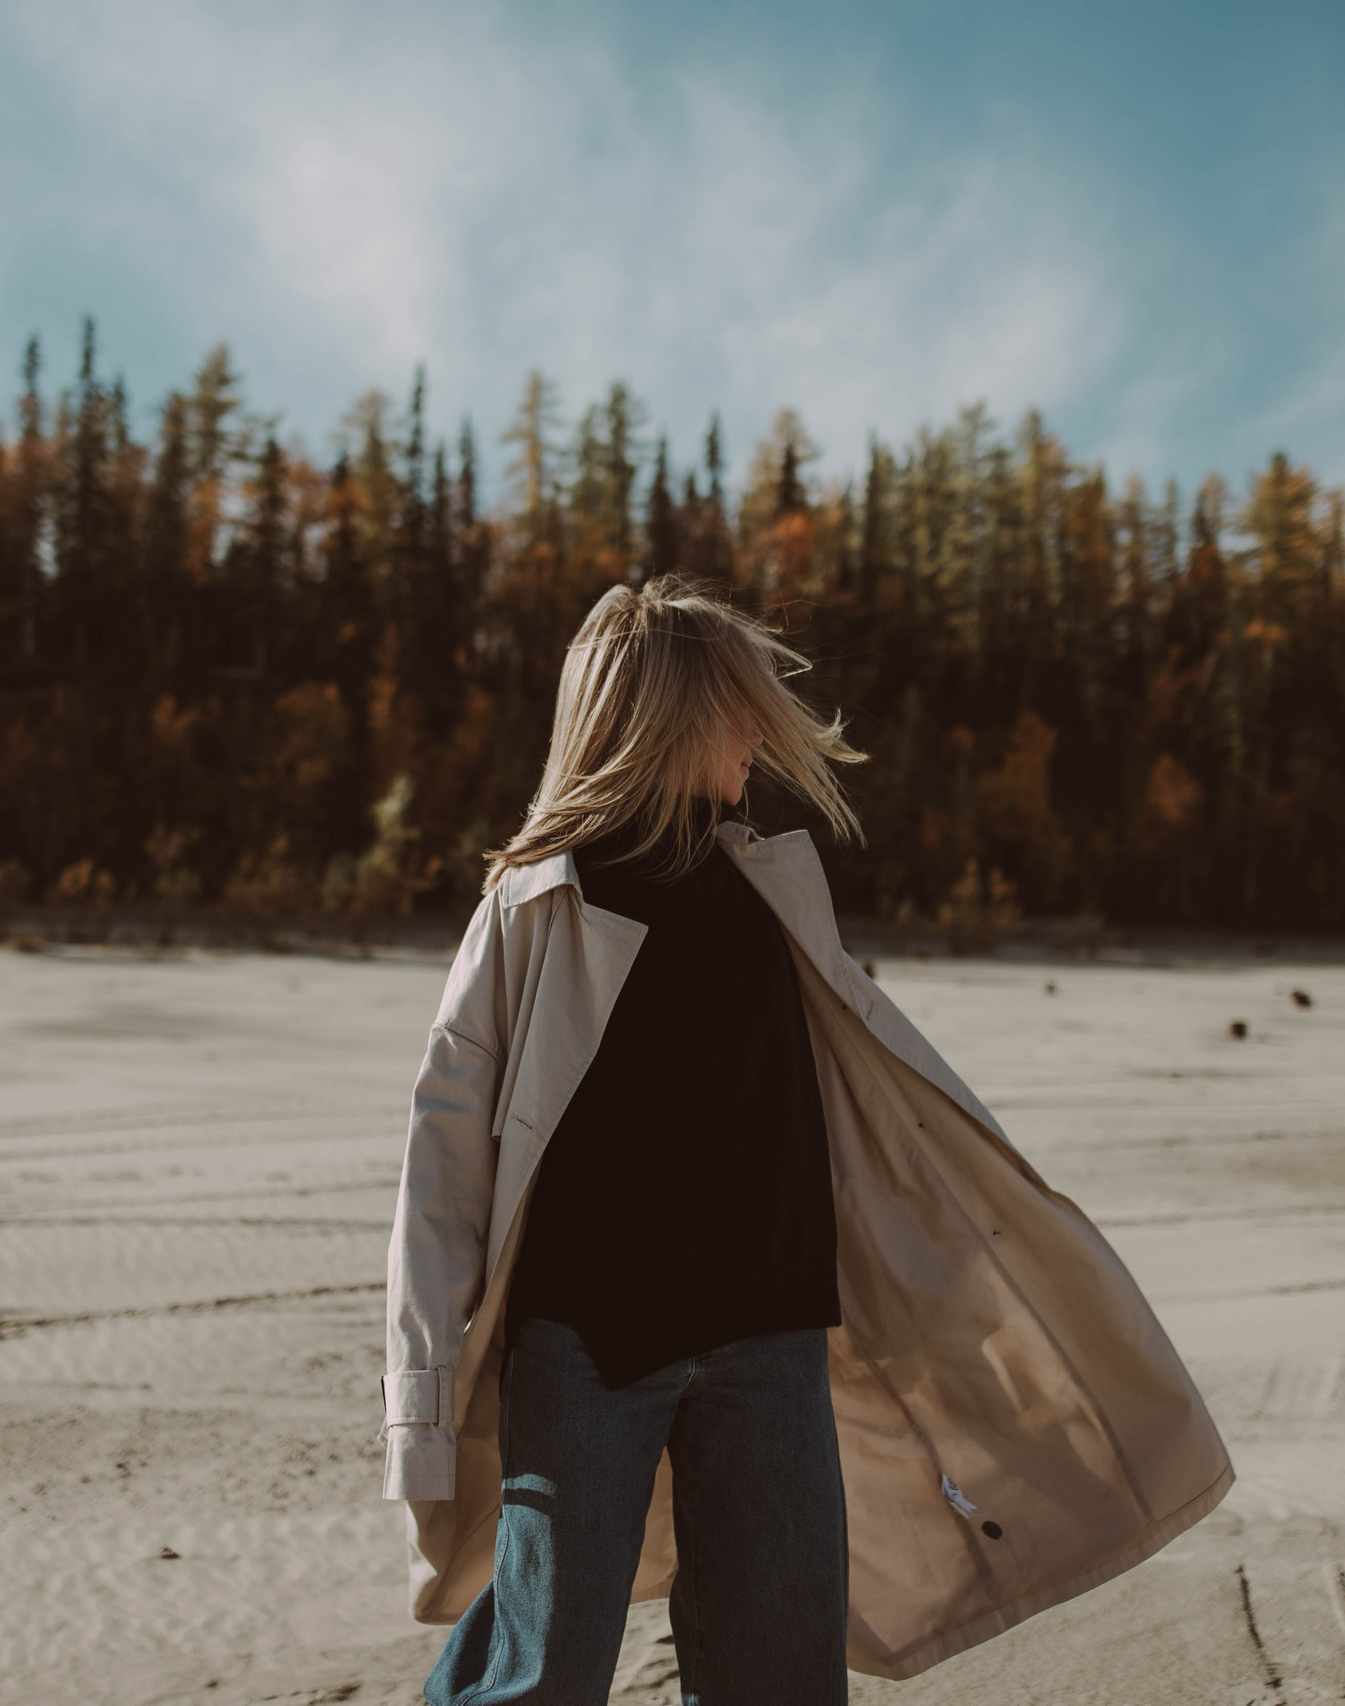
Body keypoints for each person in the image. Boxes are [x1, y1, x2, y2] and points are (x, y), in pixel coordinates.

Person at [383, 577, 1231, 1704]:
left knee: (776, 1675)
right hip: (586, 1348)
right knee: (542, 1671)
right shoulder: (536, 905)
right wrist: (421, 1408)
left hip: (770, 1346)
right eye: (741, 708)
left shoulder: (769, 884)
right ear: (673, 713)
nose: (760, 740)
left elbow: (869, 1126)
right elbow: (440, 1166)